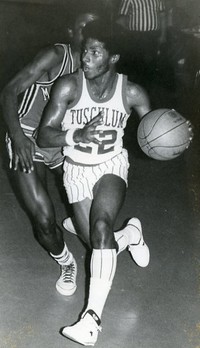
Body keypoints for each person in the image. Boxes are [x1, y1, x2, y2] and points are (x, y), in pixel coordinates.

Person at [37, 19, 151, 346]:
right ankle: (131, 233)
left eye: (95, 52)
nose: (85, 58)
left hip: (111, 165)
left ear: (113, 57)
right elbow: (45, 136)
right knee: (99, 246)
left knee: (101, 227)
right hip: (76, 169)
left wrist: (171, 132)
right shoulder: (68, 87)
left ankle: (91, 321)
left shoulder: (131, 92)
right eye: (85, 50)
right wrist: (76, 134)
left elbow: (153, 135)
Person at [0, 6, 99, 297]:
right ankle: (67, 262)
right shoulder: (57, 56)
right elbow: (8, 92)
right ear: (72, 33)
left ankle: (82, 220)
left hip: (62, 140)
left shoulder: (98, 68)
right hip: (28, 136)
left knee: (93, 216)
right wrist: (16, 136)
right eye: (84, 29)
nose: (89, 38)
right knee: (43, 219)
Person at [116, 0, 167, 84]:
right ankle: (136, 88)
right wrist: (127, 35)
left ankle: (149, 90)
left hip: (152, 36)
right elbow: (121, 19)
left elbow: (163, 16)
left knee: (151, 64)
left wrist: (163, 35)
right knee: (136, 65)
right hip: (136, 37)